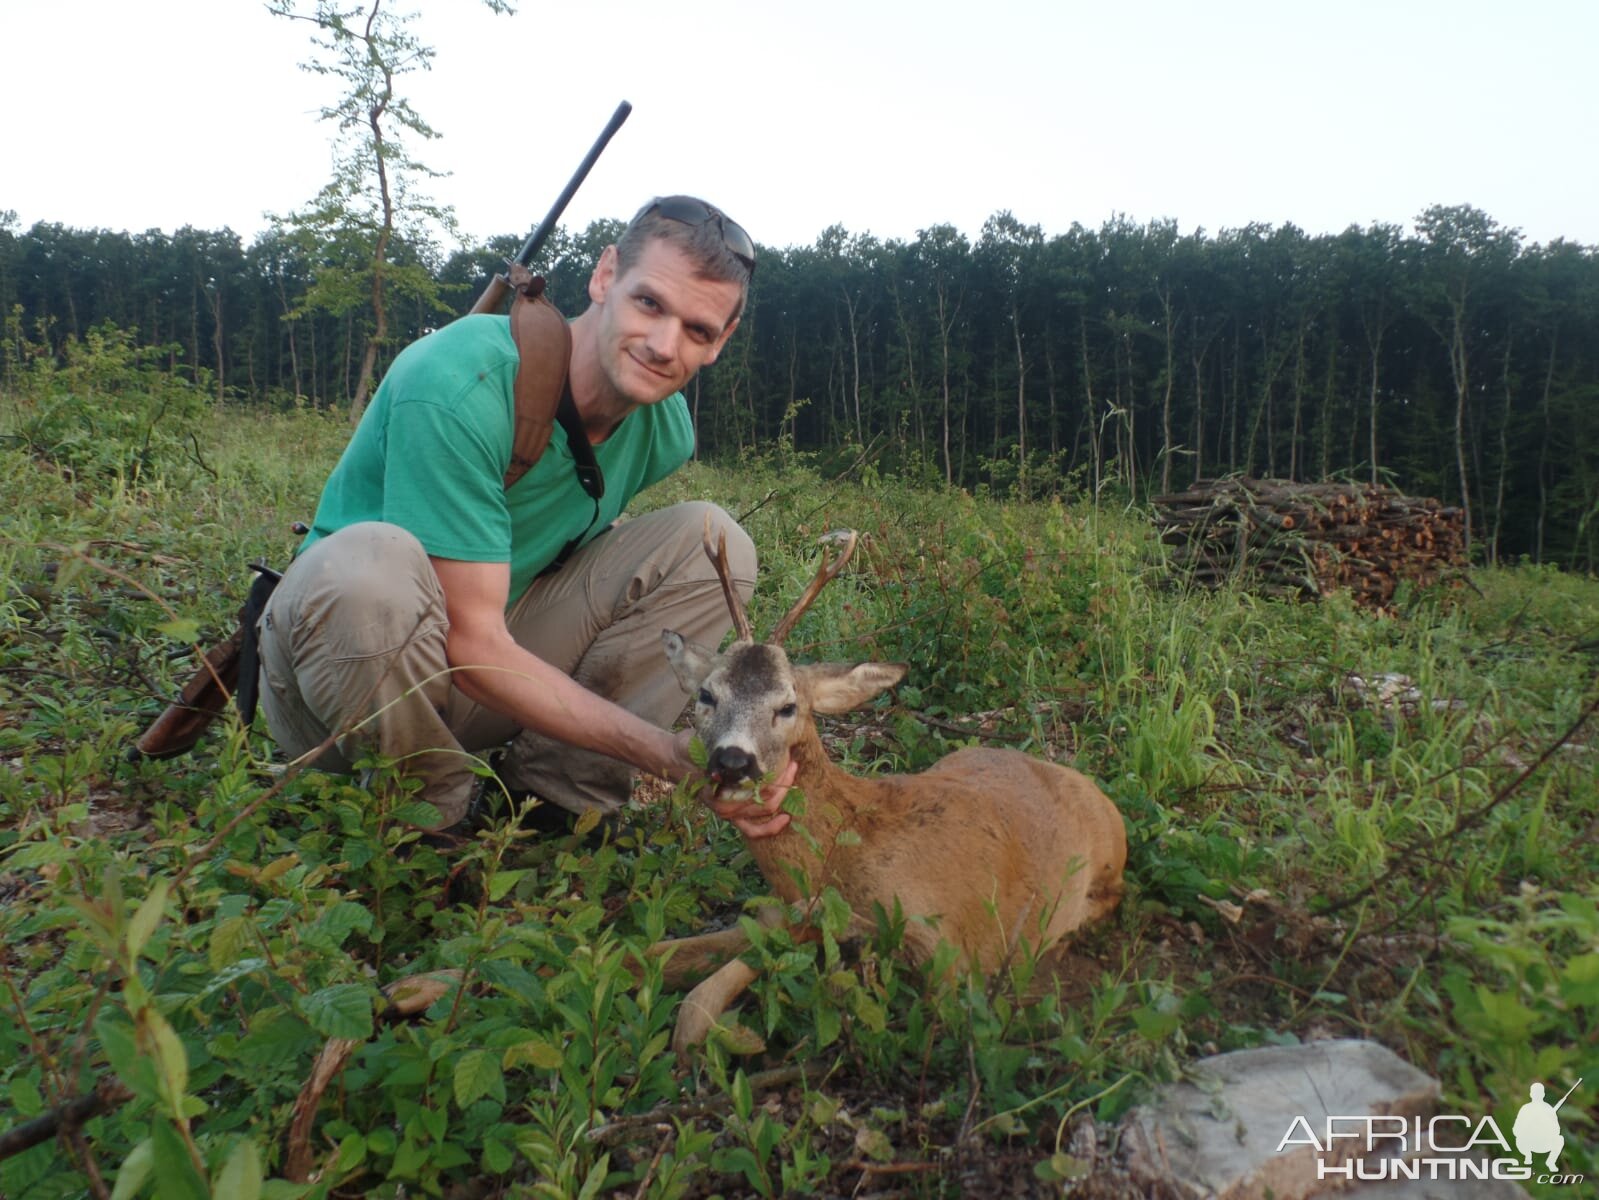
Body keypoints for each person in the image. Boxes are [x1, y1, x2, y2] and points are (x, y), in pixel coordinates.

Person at [254, 197, 792, 842]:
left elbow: (546, 553)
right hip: (338, 686)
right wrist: (661, 751)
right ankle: (427, 821)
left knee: (712, 540)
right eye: (649, 303)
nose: (663, 346)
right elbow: (471, 641)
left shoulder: (664, 430)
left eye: (698, 330)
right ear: (604, 276)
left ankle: (557, 803)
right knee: (369, 567)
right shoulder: (458, 380)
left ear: (720, 343)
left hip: (477, 673)